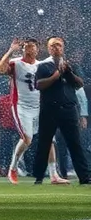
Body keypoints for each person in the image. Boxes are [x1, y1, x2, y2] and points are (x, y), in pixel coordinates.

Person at [0, 38, 62, 184]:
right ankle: (13, 168)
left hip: (39, 106)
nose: (28, 49)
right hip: (21, 106)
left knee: (49, 139)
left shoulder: (42, 65)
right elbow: (0, 70)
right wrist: (11, 50)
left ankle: (53, 175)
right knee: (27, 139)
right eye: (26, 47)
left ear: (37, 49)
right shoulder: (16, 62)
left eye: (31, 46)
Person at [32, 37, 89, 185]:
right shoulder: (44, 66)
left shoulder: (70, 65)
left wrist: (69, 73)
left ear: (63, 47)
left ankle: (85, 177)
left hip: (69, 109)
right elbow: (38, 85)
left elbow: (79, 84)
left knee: (75, 144)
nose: (56, 47)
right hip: (50, 109)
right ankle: (38, 177)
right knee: (44, 143)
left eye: (59, 45)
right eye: (53, 45)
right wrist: (55, 76)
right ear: (48, 48)